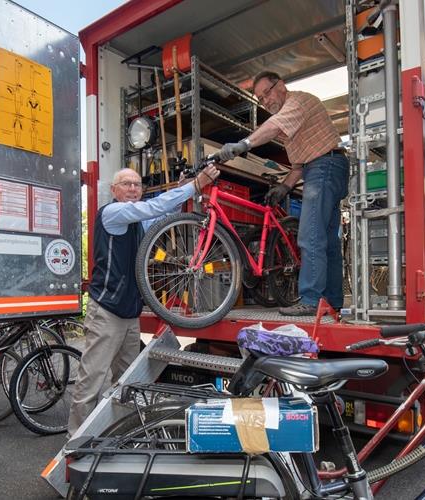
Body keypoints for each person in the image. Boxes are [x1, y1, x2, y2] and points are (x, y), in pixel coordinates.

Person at [67, 164, 220, 437]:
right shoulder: (113, 213)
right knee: (93, 378)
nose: (132, 189)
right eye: (126, 184)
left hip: (129, 313)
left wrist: (179, 190)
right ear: (114, 190)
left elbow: (163, 211)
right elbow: (151, 208)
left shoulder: (136, 222)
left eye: (137, 185)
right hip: (107, 311)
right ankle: (76, 439)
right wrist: (194, 185)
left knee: (129, 380)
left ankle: (121, 432)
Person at [219, 71, 348, 316]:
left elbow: (272, 126)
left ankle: (310, 300)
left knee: (310, 236)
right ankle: (331, 301)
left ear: (281, 85)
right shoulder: (293, 122)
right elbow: (300, 165)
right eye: (260, 99)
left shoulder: (297, 102)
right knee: (327, 241)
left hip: (325, 165)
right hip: (324, 166)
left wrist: (244, 144)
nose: (265, 101)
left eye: (267, 92)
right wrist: (285, 187)